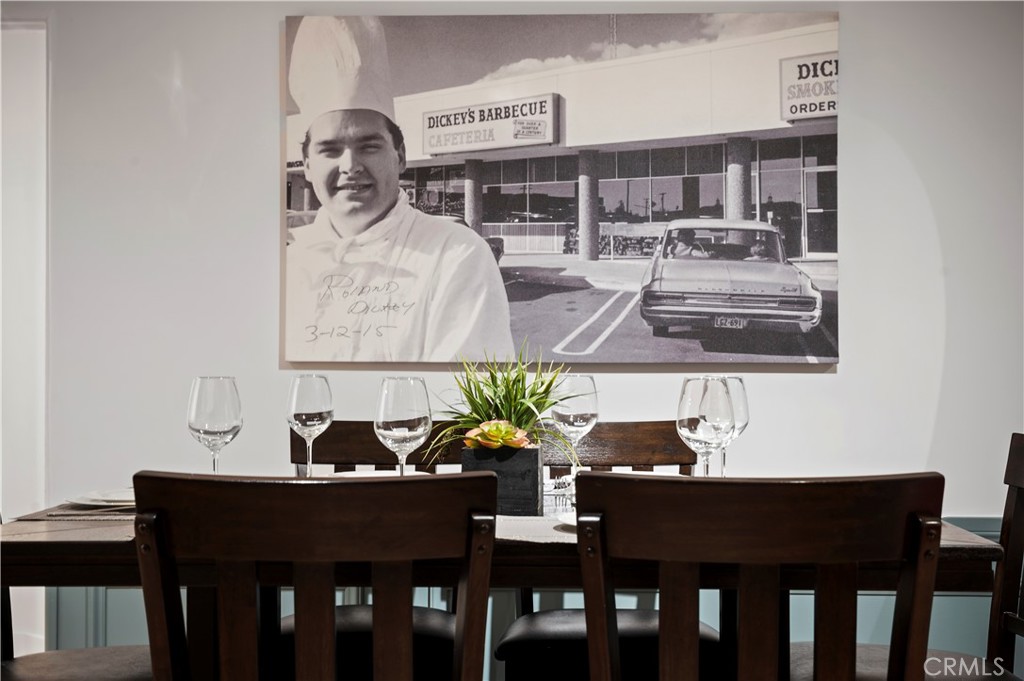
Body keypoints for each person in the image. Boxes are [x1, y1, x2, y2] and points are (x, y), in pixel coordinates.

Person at [285, 16, 514, 362]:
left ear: (401, 156)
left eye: (369, 146)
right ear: (306, 165)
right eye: (330, 149)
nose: (350, 165)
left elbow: (466, 394)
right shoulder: (284, 265)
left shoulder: (457, 255)